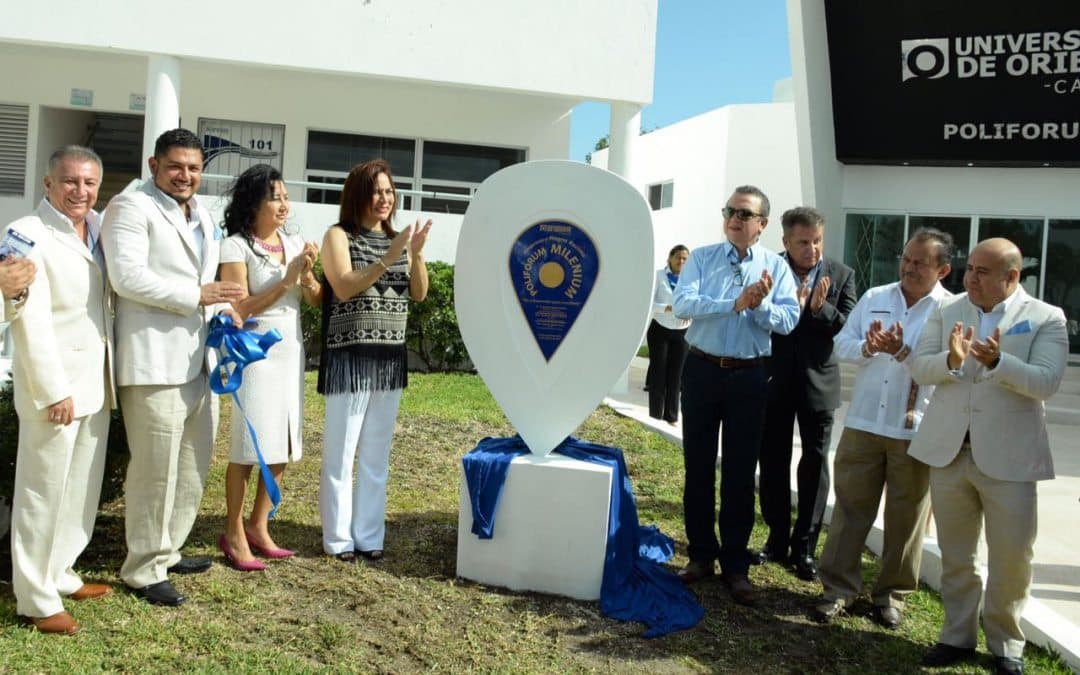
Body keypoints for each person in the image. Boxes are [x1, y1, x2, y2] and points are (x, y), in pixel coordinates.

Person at [909, 238, 1068, 674]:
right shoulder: (946, 310)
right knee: (956, 555)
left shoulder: (1045, 318)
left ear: (1011, 277)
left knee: (1012, 558)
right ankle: (956, 637)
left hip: (1010, 460)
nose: (969, 278)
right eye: (969, 268)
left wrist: (999, 363)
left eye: (982, 271)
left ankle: (1005, 645)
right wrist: (951, 360)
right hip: (950, 451)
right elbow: (920, 367)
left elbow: (1047, 382)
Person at [102, 128, 244, 606]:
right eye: (176, 167)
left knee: (192, 464)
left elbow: (208, 281)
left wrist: (225, 312)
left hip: (199, 360)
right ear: (153, 165)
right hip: (153, 363)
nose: (185, 176)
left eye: (194, 168)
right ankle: (142, 569)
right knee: (154, 468)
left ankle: (168, 549)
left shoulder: (202, 213)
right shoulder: (129, 207)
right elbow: (126, 277)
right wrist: (196, 296)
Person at [812, 228, 953, 629]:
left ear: (942, 269)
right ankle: (837, 589)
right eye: (906, 259)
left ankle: (891, 596)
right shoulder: (876, 297)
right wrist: (869, 348)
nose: (909, 268)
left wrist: (903, 352)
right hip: (864, 421)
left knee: (907, 518)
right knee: (851, 510)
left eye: (920, 263)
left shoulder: (950, 310)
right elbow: (842, 345)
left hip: (915, 428)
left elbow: (949, 366)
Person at [671, 185, 800, 605]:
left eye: (745, 214)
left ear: (762, 225)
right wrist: (735, 301)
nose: (734, 218)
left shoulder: (775, 268)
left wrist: (758, 305)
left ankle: (736, 565)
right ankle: (701, 556)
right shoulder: (703, 258)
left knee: (741, 474)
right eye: (730, 211)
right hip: (704, 370)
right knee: (699, 466)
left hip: (749, 377)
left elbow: (787, 320)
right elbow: (682, 302)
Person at [5, 146, 114, 635]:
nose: (80, 191)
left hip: (95, 381)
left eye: (89, 183)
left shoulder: (97, 228)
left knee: (78, 492)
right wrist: (52, 390)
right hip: (53, 386)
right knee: (42, 493)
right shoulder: (28, 232)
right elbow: (28, 317)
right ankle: (34, 597)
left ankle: (59, 572)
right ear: (48, 184)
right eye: (70, 181)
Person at [318, 159, 431, 563]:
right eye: (376, 191)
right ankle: (337, 539)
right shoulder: (339, 235)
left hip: (388, 358)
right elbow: (343, 287)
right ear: (357, 194)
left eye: (388, 191)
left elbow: (418, 294)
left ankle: (368, 535)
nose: (384, 199)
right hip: (350, 357)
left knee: (375, 455)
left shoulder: (397, 239)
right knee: (341, 453)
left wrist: (414, 255)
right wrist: (387, 257)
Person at [217, 164, 322, 571]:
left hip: (289, 349)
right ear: (254, 203)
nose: (283, 204)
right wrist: (284, 280)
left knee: (282, 439)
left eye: (284, 196)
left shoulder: (294, 243)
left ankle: (260, 524)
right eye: (274, 197)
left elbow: (312, 299)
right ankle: (233, 531)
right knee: (249, 445)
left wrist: (308, 277)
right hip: (255, 353)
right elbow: (238, 307)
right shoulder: (235, 246)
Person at [756, 207, 856, 581]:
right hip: (773, 381)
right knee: (773, 460)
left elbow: (847, 327)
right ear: (785, 242)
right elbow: (759, 317)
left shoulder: (841, 274)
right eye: (803, 242)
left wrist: (820, 309)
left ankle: (805, 548)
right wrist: (788, 309)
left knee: (815, 463)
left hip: (819, 384)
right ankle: (777, 538)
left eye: (817, 241)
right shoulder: (769, 269)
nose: (812, 249)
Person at [646, 244, 691, 424]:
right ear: (670, 258)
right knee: (659, 372)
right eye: (678, 257)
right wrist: (668, 308)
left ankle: (671, 415)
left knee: (676, 375)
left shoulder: (691, 279)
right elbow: (649, 303)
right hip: (660, 330)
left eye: (685, 259)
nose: (681, 261)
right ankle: (656, 414)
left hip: (682, 332)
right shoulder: (659, 276)